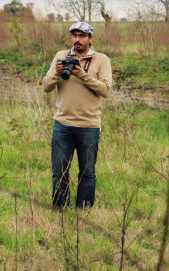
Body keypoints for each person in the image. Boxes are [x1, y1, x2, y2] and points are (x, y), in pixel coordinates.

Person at [42, 22, 112, 209]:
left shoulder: (101, 60)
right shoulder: (61, 56)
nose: (77, 40)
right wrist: (56, 74)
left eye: (82, 36)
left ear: (91, 38)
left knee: (87, 171)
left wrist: (82, 74)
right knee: (59, 172)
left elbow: (105, 90)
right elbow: (46, 86)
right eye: (74, 36)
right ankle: (60, 209)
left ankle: (84, 210)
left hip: (89, 126)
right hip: (62, 124)